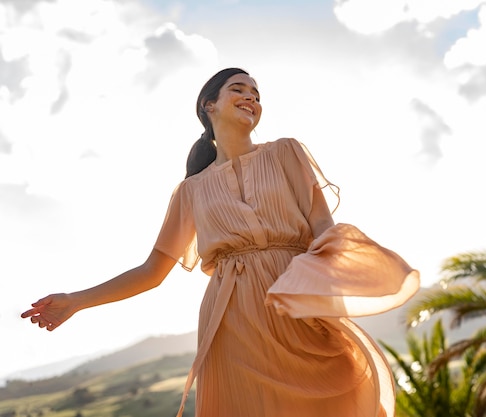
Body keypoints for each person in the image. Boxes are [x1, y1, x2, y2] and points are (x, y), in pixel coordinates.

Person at [21, 67, 421, 417]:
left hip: (296, 306)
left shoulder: (286, 153)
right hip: (230, 321)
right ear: (209, 105)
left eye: (257, 95)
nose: (251, 98)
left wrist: (323, 297)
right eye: (239, 89)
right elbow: (151, 272)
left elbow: (324, 229)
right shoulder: (190, 191)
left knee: (334, 394)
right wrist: (76, 300)